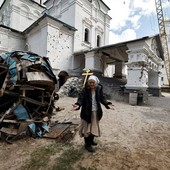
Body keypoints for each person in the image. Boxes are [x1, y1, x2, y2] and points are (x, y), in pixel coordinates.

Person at [72, 75, 114, 152]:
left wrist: (107, 104)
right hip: (86, 112)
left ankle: (91, 141)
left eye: (93, 83)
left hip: (95, 112)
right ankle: (87, 145)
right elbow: (80, 99)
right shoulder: (85, 90)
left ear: (96, 83)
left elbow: (102, 98)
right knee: (86, 129)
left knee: (93, 127)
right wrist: (77, 105)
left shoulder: (99, 89)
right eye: (90, 82)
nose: (91, 84)